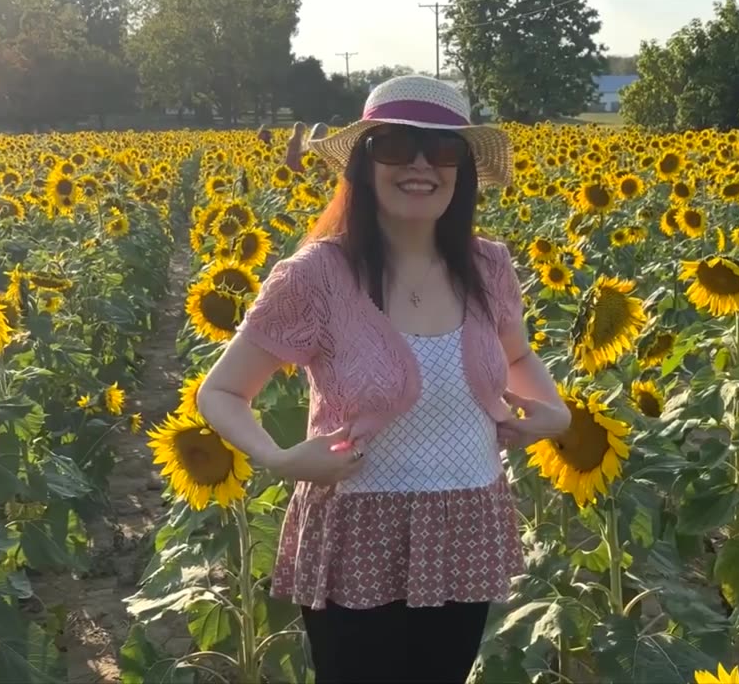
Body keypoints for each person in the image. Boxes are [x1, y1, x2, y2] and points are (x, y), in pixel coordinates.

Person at [197, 75, 570, 684]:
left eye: (443, 149)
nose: (421, 164)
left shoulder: (488, 265)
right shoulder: (318, 275)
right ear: (364, 165)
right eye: (395, 145)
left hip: (465, 520)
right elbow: (221, 391)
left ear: (463, 169)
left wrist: (553, 410)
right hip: (358, 528)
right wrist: (279, 457)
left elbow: (519, 358)